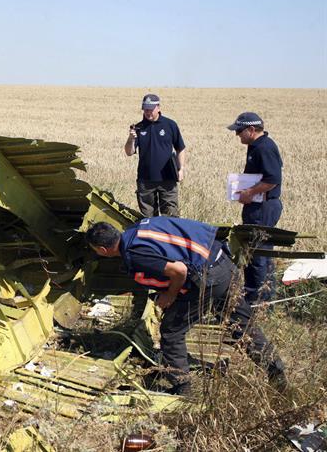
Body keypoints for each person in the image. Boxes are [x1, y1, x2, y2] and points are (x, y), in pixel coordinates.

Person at [85, 218, 286, 395]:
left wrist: (169, 296)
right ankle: (276, 371)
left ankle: (182, 386)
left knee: (172, 331)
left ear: (103, 250)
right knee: (242, 325)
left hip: (208, 276)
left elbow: (179, 270)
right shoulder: (139, 228)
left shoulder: (135, 254)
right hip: (221, 259)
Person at [227, 112, 283, 305]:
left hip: (263, 208)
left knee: (258, 253)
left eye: (240, 131)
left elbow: (272, 180)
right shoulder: (255, 146)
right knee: (254, 250)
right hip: (257, 206)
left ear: (251, 130)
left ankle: (259, 301)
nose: (237, 135)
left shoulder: (264, 148)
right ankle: (255, 296)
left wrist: (249, 192)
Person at [125, 94, 187, 218]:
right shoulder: (138, 127)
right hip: (145, 180)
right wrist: (131, 139)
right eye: (145, 109)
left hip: (168, 179)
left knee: (170, 217)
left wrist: (181, 169)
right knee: (147, 219)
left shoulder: (170, 125)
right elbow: (129, 152)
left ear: (158, 107)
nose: (148, 112)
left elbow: (180, 148)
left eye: (150, 109)